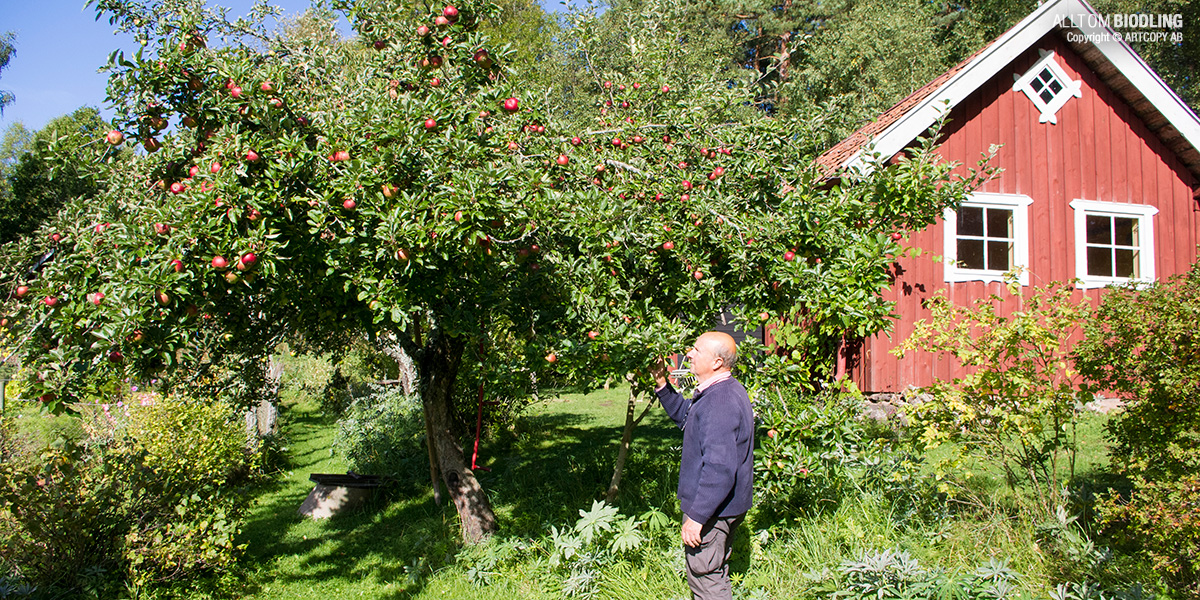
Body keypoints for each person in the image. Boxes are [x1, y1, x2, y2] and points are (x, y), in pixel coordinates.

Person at [650, 331, 755, 600]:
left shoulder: (720, 402)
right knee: (713, 569)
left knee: (705, 574)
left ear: (717, 362)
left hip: (713, 510)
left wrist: (697, 517)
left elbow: (720, 469)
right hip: (723, 506)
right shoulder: (719, 392)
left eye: (696, 350)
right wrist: (662, 384)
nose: (689, 354)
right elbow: (688, 416)